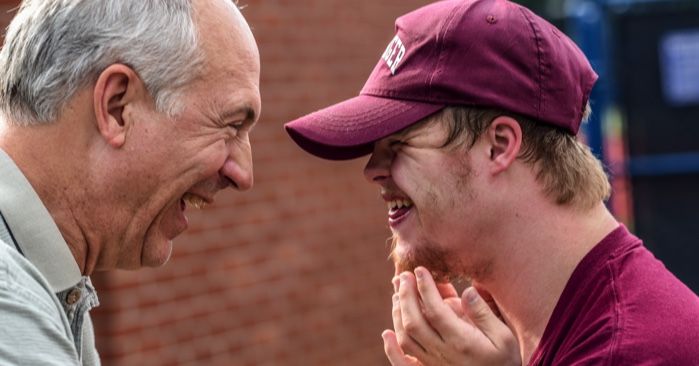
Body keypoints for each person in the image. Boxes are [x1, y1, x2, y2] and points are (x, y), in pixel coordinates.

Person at [285, 0, 699, 365]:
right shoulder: (520, 329)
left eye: (398, 143)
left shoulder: (632, 351)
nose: (372, 169)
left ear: (499, 146)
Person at [0, 0, 260, 364]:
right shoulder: (9, 300)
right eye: (231, 125)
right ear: (117, 106)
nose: (243, 174)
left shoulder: (49, 284)